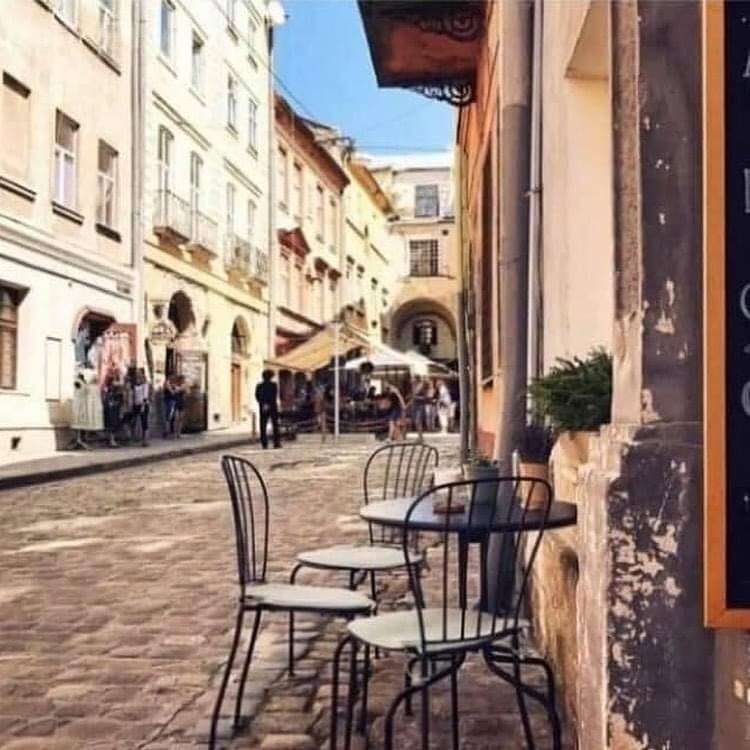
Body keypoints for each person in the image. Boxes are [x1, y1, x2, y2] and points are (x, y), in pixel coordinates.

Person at [255, 369, 281, 449]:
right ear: (271, 377)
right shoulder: (273, 385)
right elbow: (274, 395)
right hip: (272, 406)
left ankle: (264, 444)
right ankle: (276, 443)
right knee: (275, 425)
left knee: (263, 426)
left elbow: (257, 396)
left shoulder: (259, 386)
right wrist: (269, 404)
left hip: (263, 407)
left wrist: (263, 403)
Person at [102, 372, 124, 447]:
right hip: (111, 409)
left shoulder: (116, 389)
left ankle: (112, 440)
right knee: (111, 424)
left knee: (113, 424)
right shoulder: (109, 390)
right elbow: (107, 399)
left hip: (114, 408)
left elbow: (120, 398)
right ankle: (111, 440)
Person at [133, 368, 151, 446]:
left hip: (143, 404)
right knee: (135, 420)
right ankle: (136, 437)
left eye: (139, 372)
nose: (137, 374)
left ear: (142, 374)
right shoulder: (135, 383)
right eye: (137, 373)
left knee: (144, 421)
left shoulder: (145, 383)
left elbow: (145, 395)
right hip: (136, 404)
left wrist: (143, 405)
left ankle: (145, 440)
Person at [411, 375, 427, 441]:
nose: (412, 380)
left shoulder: (421, 386)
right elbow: (413, 397)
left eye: (413, 378)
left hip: (420, 406)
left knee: (418, 421)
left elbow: (424, 397)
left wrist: (416, 397)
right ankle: (419, 436)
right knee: (416, 422)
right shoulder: (413, 386)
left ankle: (421, 437)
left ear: (416, 379)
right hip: (415, 405)